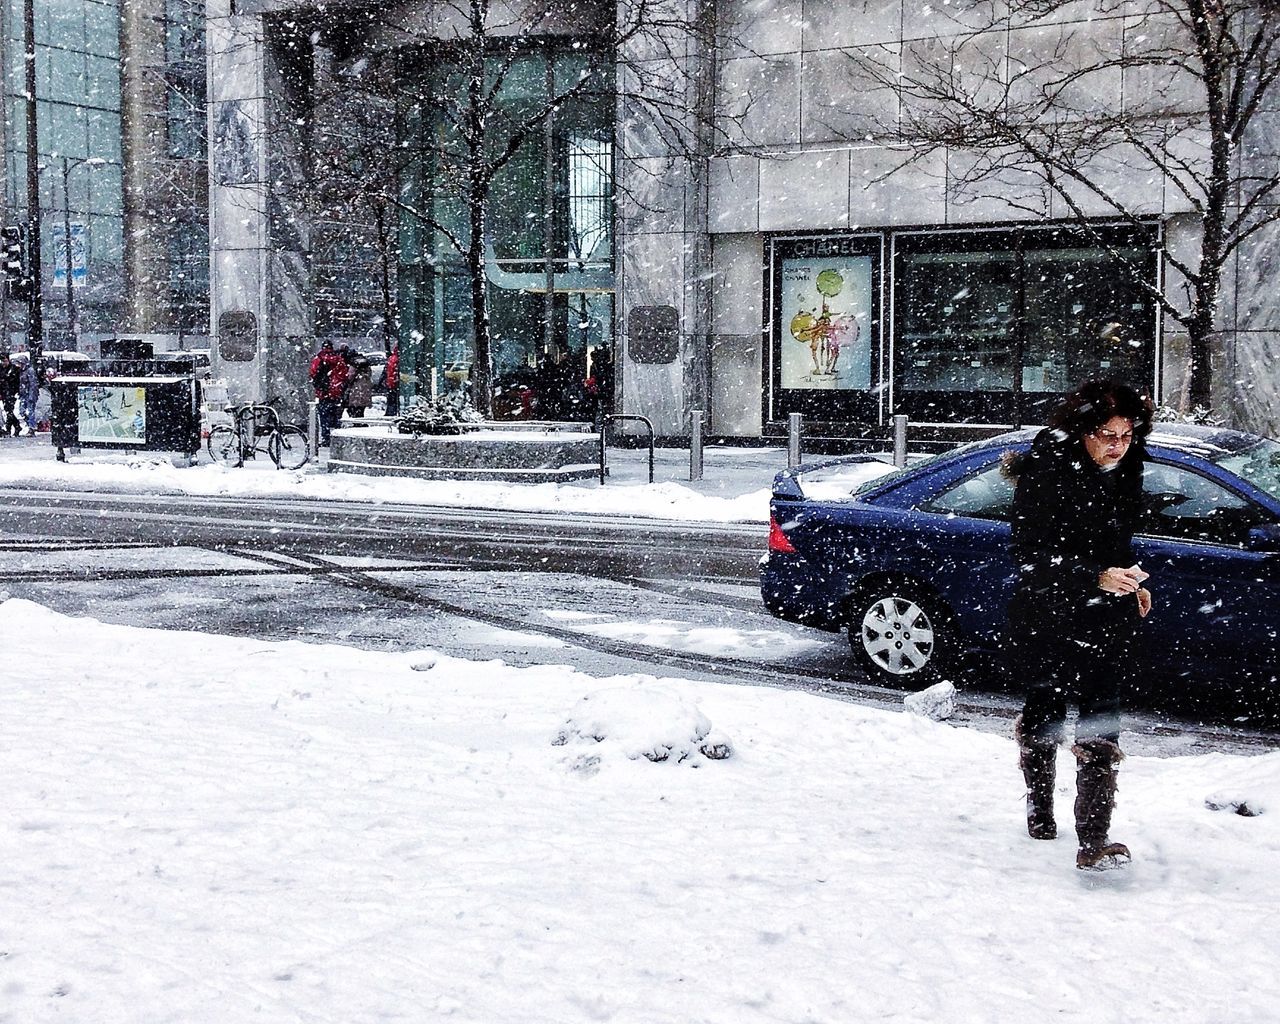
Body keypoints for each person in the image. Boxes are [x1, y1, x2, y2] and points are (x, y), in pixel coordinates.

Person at [1006, 379, 1154, 871]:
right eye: (1106, 434)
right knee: (1045, 710)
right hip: (1049, 614)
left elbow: (1116, 537)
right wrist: (1092, 576)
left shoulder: (1125, 469)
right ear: (1082, 430)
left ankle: (1094, 839)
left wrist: (1131, 578)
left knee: (1101, 719)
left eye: (1126, 435)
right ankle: (1040, 811)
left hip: (1106, 618)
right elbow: (1028, 554)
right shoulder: (1046, 470)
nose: (1117, 445)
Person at [309, 340, 349, 446]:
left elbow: (313, 372)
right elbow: (344, 374)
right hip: (336, 392)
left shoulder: (319, 358)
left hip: (324, 392)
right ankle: (337, 437)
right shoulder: (338, 359)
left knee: (324, 417)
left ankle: (326, 438)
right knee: (336, 416)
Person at [345, 352, 373, 418]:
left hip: (356, 387)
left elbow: (350, 376)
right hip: (365, 386)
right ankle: (360, 419)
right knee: (361, 407)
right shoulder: (366, 365)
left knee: (354, 406)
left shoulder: (353, 365)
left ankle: (356, 420)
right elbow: (370, 374)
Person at [0, 352, 22, 436]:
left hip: (11, 392)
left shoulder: (14, 369)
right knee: (8, 410)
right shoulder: (1, 368)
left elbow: (16, 381)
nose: (3, 363)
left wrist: (16, 391)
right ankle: (16, 426)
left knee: (9, 410)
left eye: (5, 361)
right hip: (4, 392)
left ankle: (9, 428)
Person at [18, 356, 39, 435]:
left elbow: (32, 384)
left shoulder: (30, 371)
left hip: (29, 394)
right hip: (24, 394)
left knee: (30, 411)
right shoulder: (22, 371)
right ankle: (31, 425)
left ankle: (32, 427)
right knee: (22, 411)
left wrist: (31, 395)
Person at [384, 345, 400, 417]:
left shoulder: (392, 358)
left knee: (391, 400)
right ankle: (391, 414)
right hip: (394, 383)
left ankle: (390, 413)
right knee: (393, 400)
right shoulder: (397, 359)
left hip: (390, 382)